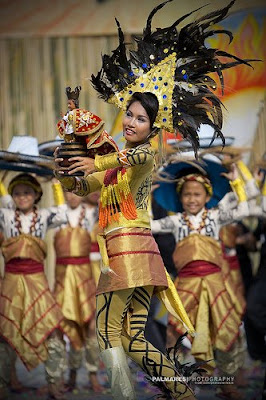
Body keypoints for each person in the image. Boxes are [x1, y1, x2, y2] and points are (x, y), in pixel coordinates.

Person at [54, 2, 255, 398]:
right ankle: (181, 392)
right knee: (131, 335)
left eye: (140, 118)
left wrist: (94, 157)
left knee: (107, 331)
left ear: (153, 126)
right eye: (129, 114)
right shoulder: (115, 160)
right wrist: (67, 171)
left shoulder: (146, 154)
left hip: (127, 253)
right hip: (139, 256)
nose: (131, 121)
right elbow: (84, 185)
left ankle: (124, 396)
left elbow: (125, 159)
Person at [151, 163, 250, 400]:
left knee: (226, 329)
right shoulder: (176, 222)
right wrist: (145, 194)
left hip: (216, 283)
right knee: (175, 332)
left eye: (197, 194)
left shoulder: (216, 217)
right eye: (187, 194)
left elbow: (244, 211)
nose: (192, 199)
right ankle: (176, 384)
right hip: (186, 284)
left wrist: (237, 183)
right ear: (179, 197)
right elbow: (148, 224)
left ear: (207, 195)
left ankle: (227, 384)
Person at [0, 174, 68, 400]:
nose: (22, 197)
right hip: (11, 281)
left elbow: (64, 214)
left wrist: (57, 185)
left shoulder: (45, 215)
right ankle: (3, 383)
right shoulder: (6, 215)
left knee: (53, 330)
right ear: (12, 196)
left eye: (27, 192)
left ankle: (53, 383)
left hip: (37, 280)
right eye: (17, 193)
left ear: (36, 194)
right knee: (5, 333)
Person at [53, 191, 104, 393]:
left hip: (87, 277)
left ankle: (92, 374)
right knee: (65, 325)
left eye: (76, 190)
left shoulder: (93, 213)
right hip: (63, 279)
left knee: (91, 326)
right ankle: (68, 376)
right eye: (68, 190)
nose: (72, 195)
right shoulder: (56, 214)